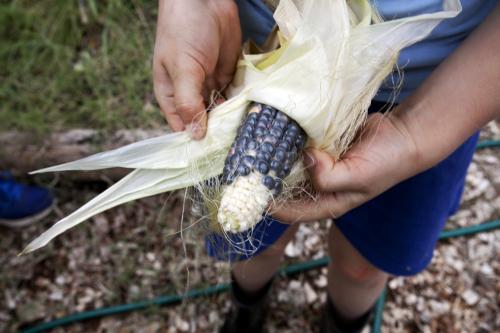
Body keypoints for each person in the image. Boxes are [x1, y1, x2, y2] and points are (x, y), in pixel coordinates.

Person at [153, 0, 500, 332]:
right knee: (251, 244)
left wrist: (415, 134)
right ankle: (247, 308)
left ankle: (342, 325)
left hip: (439, 94)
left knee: (362, 268)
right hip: (263, 61)